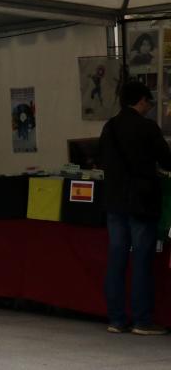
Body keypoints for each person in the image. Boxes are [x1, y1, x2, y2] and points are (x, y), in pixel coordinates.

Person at [99, 80, 171, 335]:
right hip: (141, 202)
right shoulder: (147, 127)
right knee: (141, 261)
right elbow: (167, 159)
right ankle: (142, 320)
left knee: (116, 260)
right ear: (141, 100)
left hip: (115, 202)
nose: (150, 107)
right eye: (149, 103)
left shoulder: (109, 127)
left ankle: (116, 319)